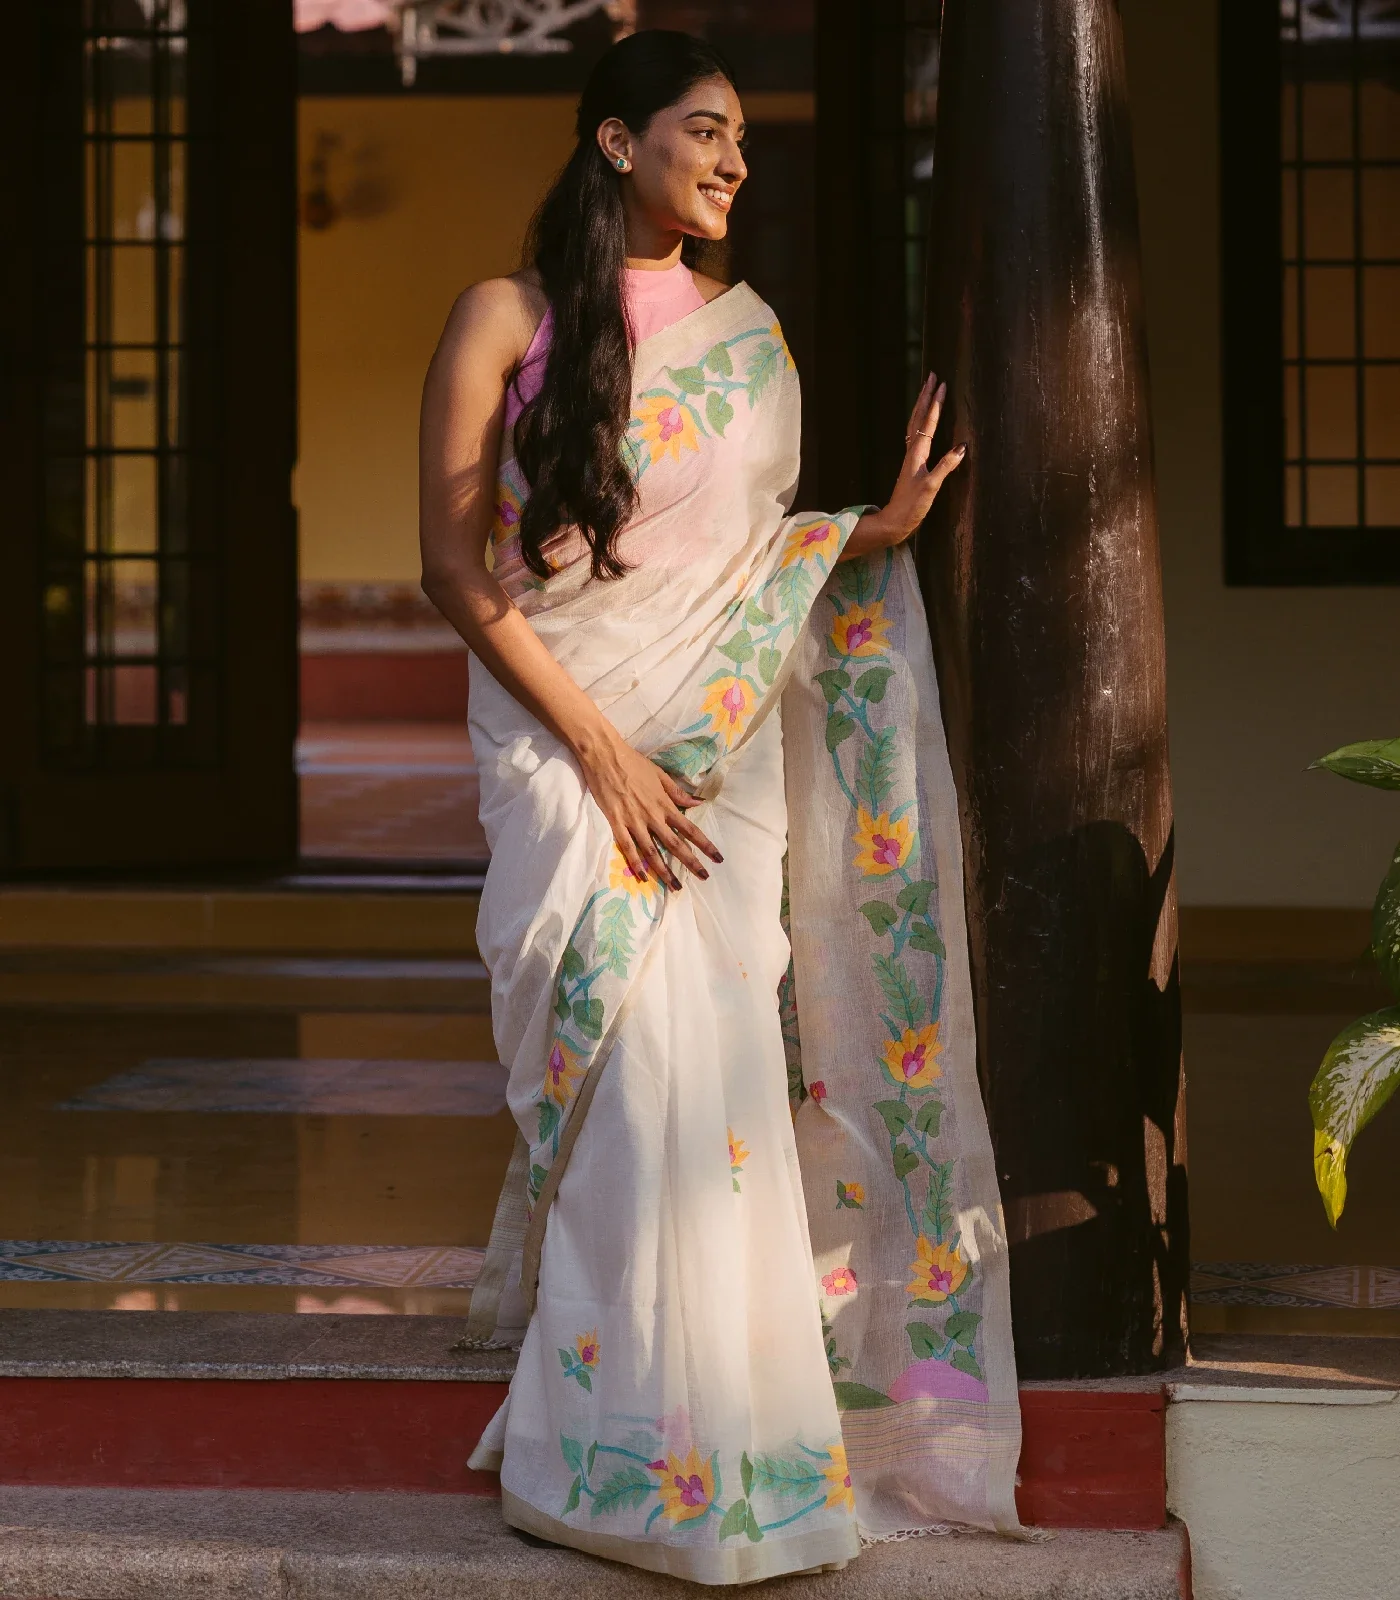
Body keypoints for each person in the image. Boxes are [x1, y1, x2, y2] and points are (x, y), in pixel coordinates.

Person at [420, 30, 1022, 1585]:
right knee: (628, 1113)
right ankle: (605, 1465)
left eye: (741, 136)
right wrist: (606, 760)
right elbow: (455, 572)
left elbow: (749, 568)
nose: (736, 160)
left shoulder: (749, 340)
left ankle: (751, 1467)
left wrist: (860, 533)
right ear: (617, 142)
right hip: (569, 758)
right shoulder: (503, 318)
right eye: (706, 130)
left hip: (712, 774)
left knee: (727, 1117)